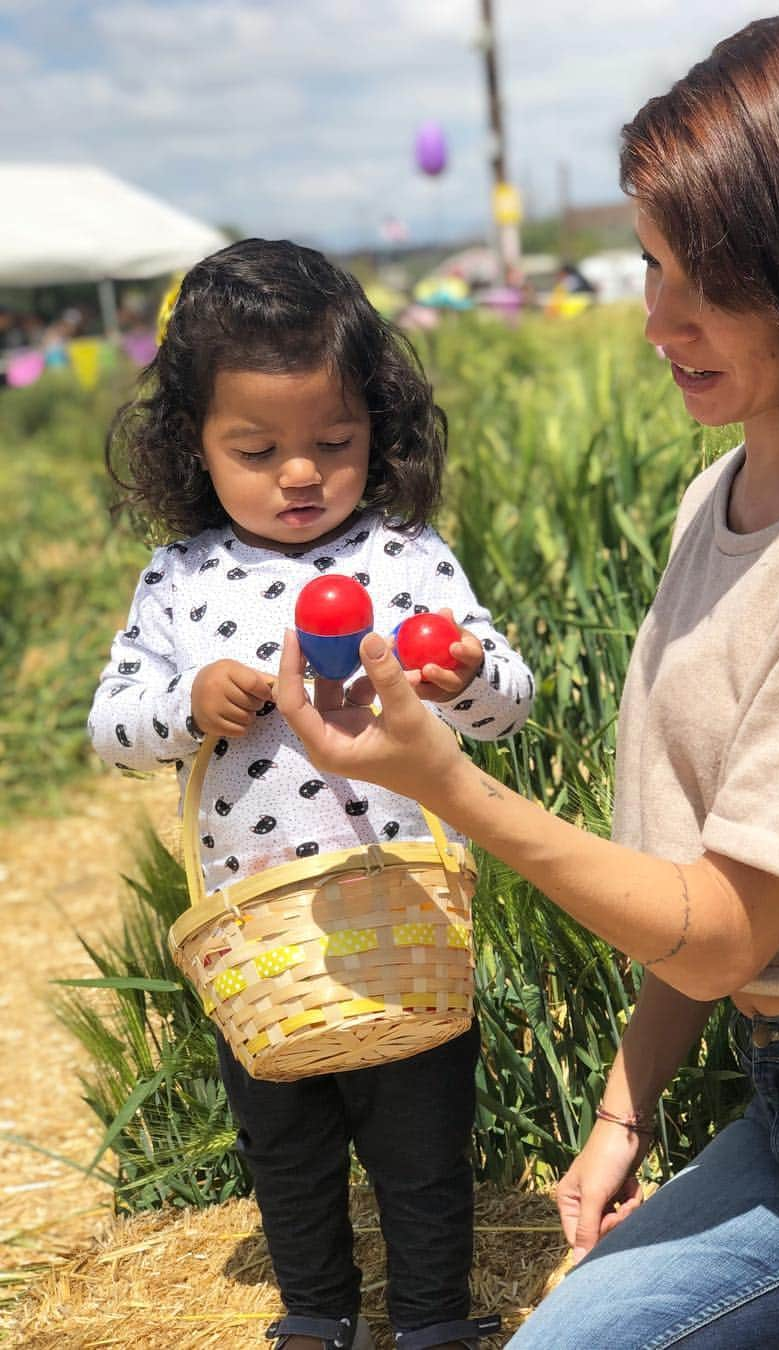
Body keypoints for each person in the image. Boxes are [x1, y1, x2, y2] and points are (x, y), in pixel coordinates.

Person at [272, 5, 779, 1347]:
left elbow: (721, 928)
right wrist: (625, 1107)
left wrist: (445, 780)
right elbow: (720, 872)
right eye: (650, 263)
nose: (660, 318)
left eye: (707, 279)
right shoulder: (726, 491)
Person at [88, 239, 534, 1350]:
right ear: (194, 444)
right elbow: (112, 728)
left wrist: (468, 676)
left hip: (407, 916)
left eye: (333, 443)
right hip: (265, 939)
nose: (300, 473)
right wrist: (192, 701)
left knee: (426, 1144)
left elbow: (508, 702)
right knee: (283, 1143)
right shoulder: (182, 578)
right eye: (258, 448)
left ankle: (434, 1318)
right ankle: (316, 1316)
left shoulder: (408, 555)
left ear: (378, 427)